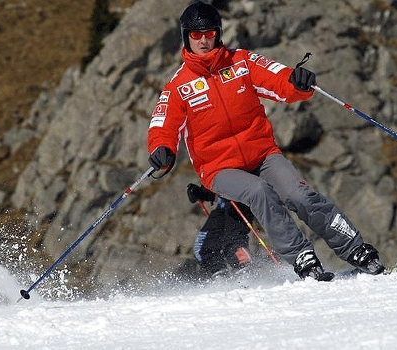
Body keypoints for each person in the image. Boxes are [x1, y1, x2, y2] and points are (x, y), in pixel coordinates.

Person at [147, 1, 384, 281]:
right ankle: (301, 256)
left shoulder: (242, 63)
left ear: (218, 34)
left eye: (209, 33)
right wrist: (162, 149)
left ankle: (356, 249)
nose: (203, 40)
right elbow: (163, 125)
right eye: (195, 35)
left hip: (263, 154)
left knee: (300, 195)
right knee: (260, 192)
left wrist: (296, 81)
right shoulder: (179, 87)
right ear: (186, 37)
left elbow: (278, 79)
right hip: (219, 168)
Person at [187, 183, 253, 278]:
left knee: (233, 243)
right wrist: (202, 192)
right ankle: (222, 279)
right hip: (223, 204)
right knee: (202, 249)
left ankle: (246, 275)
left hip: (240, 198)